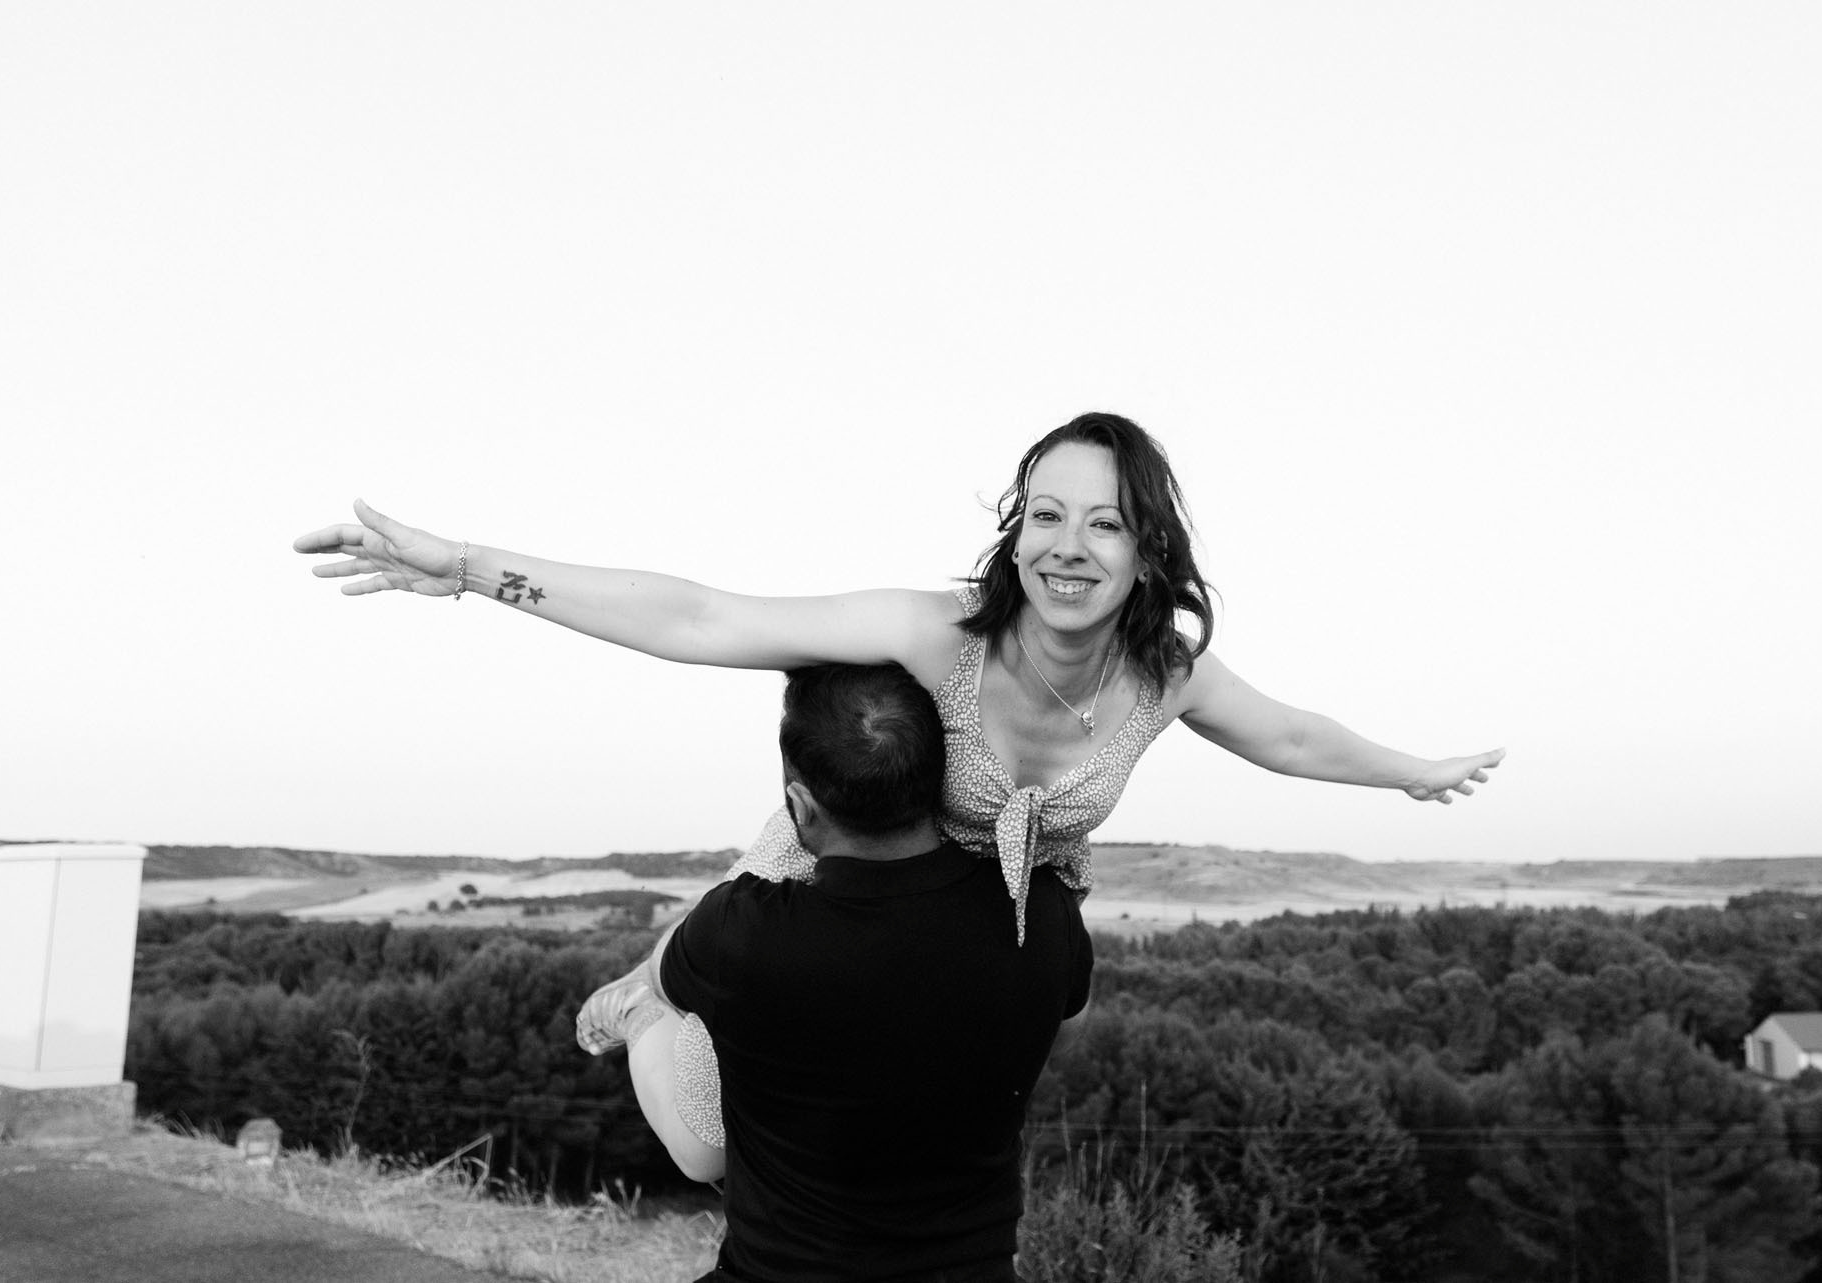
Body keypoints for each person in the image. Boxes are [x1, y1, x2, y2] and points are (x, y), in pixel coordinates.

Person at [295, 411, 1502, 1151]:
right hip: (837, 883)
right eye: (1044, 514)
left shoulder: (1162, 673)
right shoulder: (938, 635)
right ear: (1014, 528)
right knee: (714, 1151)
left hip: (977, 922)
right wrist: (465, 570)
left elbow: (1289, 737)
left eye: (1104, 524)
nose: (1066, 548)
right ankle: (658, 996)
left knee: (981, 1087)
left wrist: (1408, 775)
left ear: (1148, 551)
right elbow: (705, 615)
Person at [641, 660, 1091, 1282]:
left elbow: (661, 977)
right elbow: (1066, 1029)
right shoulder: (1038, 910)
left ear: (800, 804)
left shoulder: (742, 933)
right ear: (939, 779)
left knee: (647, 1013)